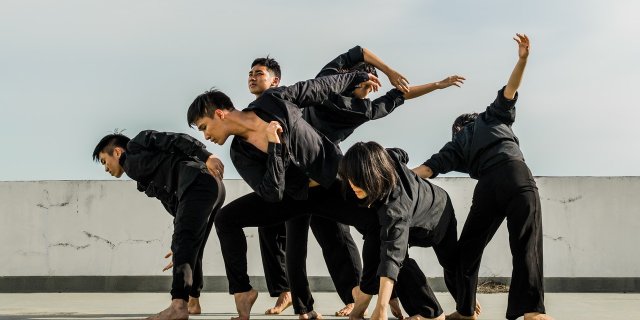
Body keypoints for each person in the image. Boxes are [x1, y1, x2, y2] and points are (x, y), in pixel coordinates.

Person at [188, 72, 381, 320]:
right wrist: (275, 148)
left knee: (379, 222)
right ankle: (243, 291)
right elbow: (271, 192)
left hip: (330, 184)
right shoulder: (240, 153)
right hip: (291, 197)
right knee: (226, 219)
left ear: (219, 113)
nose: (206, 136)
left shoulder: (273, 101)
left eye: (204, 127)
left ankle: (386, 295)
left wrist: (356, 76)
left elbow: (319, 87)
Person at [412, 34, 554, 320]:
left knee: (467, 251)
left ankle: (465, 311)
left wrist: (383, 172)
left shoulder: (455, 145)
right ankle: (531, 311)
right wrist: (523, 59)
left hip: (488, 187)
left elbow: (424, 171)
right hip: (515, 175)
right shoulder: (490, 117)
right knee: (525, 243)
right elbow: (510, 90)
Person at [92, 131, 225, 320]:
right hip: (208, 187)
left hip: (199, 180)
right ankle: (193, 301)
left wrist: (207, 156)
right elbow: (177, 208)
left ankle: (178, 305)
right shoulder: (144, 177)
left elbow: (175, 139)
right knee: (192, 245)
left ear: (117, 152)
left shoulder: (137, 145)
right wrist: (176, 241)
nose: (106, 168)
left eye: (105, 161)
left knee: (185, 242)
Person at [338, 141, 459, 320]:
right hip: (416, 209)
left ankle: (432, 314)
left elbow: (392, 255)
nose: (352, 184)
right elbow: (400, 153)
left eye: (358, 179)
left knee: (443, 263)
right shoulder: (382, 160)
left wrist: (381, 308)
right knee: (375, 244)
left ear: (373, 175)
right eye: (350, 177)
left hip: (437, 216)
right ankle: (359, 309)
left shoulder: (395, 206)